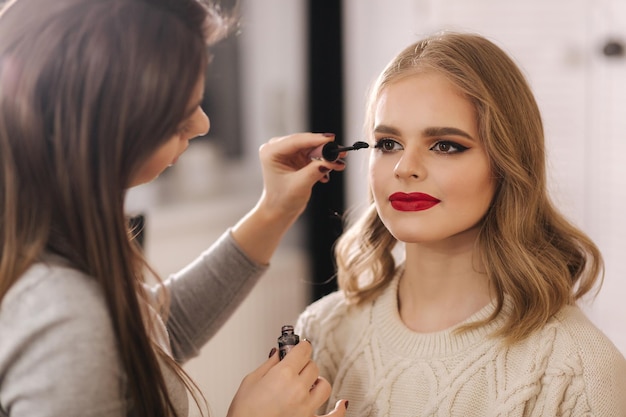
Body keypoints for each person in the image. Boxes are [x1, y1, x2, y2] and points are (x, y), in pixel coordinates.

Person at [0, 0, 350, 416]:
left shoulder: (50, 253)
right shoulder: (67, 321)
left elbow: (154, 338)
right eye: (180, 115)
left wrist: (275, 209)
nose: (202, 125)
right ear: (105, 129)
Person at [296, 31, 626, 416]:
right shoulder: (320, 332)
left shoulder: (580, 374)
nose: (405, 168)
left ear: (507, 164)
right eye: (389, 143)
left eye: (445, 145)